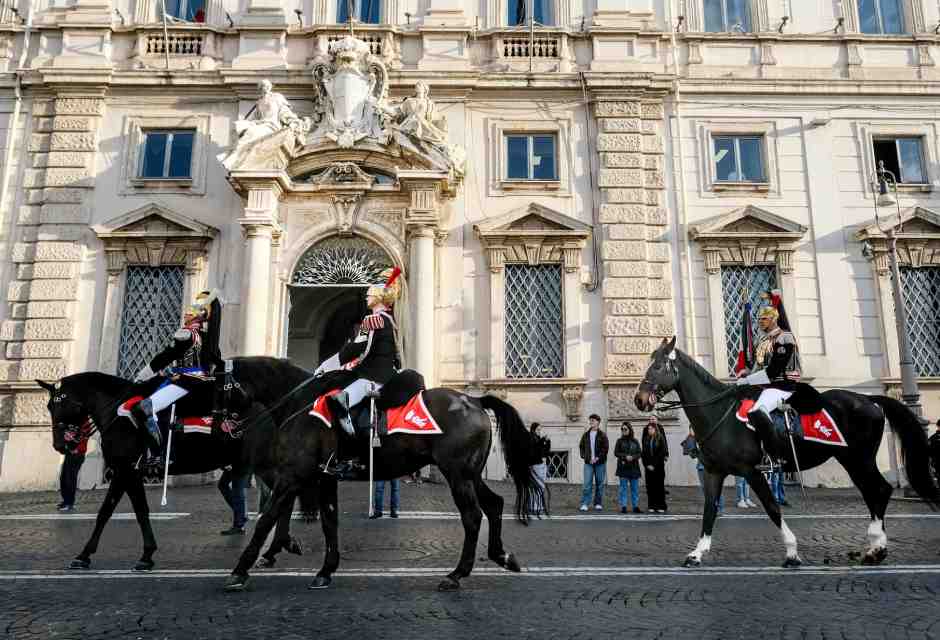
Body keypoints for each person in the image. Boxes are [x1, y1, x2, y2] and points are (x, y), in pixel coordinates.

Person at [122, 290, 223, 450]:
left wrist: (143, 375)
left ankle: (156, 455)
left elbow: (165, 357)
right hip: (200, 384)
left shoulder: (187, 333)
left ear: (199, 314)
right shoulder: (208, 338)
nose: (186, 313)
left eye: (191, 309)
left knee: (144, 408)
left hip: (185, 383)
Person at [314, 267, 403, 437]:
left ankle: (349, 438)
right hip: (389, 375)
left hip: (372, 376)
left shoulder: (372, 319)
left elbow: (356, 347)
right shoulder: (390, 321)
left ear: (378, 297)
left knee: (339, 400)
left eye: (369, 294)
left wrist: (326, 366)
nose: (366, 297)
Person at [736, 299, 802, 459]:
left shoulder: (784, 338)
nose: (760, 322)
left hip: (782, 386)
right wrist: (746, 371)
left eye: (764, 318)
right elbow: (759, 365)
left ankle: (772, 454)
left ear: (774, 319)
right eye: (759, 319)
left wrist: (747, 380)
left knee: (758, 411)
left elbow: (773, 370)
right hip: (767, 386)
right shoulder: (764, 340)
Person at [681, 426, 723, 515]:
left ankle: (719, 508)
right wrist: (690, 440)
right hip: (701, 467)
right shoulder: (693, 439)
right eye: (691, 429)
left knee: (715, 489)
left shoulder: (706, 438)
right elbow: (693, 455)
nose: (692, 431)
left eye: (693, 428)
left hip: (712, 468)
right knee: (705, 489)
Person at [578, 414, 609, 511]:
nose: (591, 422)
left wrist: (597, 458)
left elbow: (605, 449)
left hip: (600, 463)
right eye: (590, 420)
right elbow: (581, 447)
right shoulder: (586, 435)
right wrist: (585, 457)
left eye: (593, 420)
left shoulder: (602, 435)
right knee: (587, 484)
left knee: (599, 483)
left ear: (598, 422)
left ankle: (598, 503)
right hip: (588, 463)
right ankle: (585, 503)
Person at [57, 429, 89, 512]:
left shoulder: (84, 423)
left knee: (70, 479)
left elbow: (84, 437)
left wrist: (77, 449)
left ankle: (69, 503)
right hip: (70, 453)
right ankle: (66, 501)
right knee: (63, 478)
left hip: (77, 454)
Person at [614, 422, 642, 514]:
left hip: (634, 467)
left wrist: (633, 457)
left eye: (625, 429)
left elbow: (639, 453)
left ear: (629, 430)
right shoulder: (619, 441)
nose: (623, 431)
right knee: (623, 488)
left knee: (635, 488)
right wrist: (625, 456)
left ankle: (635, 506)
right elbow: (616, 452)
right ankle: (624, 506)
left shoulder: (635, 441)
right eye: (622, 429)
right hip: (623, 467)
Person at [642, 419, 668, 513]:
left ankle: (661, 505)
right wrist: (647, 464)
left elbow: (662, 453)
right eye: (648, 429)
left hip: (658, 467)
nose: (649, 430)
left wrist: (654, 465)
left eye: (651, 429)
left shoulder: (660, 438)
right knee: (650, 487)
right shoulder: (646, 439)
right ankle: (651, 505)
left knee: (659, 486)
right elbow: (644, 454)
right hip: (648, 468)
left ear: (655, 429)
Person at [218, 466, 249, 535]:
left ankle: (239, 525)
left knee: (237, 492)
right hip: (235, 464)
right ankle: (241, 516)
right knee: (222, 484)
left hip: (240, 465)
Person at [529, 422, 551, 516]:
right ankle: (534, 507)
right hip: (535, 465)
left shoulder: (538, 439)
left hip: (542, 464)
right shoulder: (531, 438)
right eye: (538, 429)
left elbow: (545, 451)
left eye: (540, 430)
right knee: (536, 486)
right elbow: (534, 449)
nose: (539, 431)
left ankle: (538, 506)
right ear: (533, 430)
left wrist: (548, 442)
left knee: (541, 486)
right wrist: (542, 440)